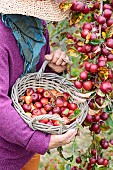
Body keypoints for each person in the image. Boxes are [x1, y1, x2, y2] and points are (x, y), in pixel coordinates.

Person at [0, 0, 78, 170]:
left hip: (28, 141)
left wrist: (52, 69)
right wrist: (39, 140)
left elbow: (36, 81)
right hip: (5, 154)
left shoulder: (36, 25)